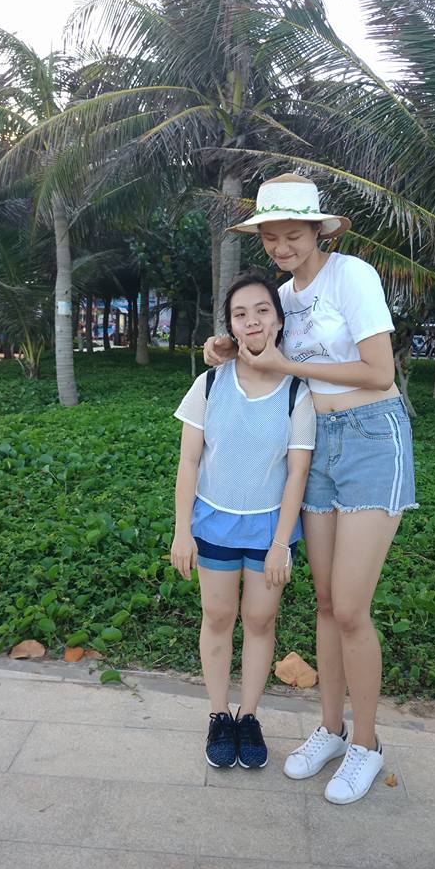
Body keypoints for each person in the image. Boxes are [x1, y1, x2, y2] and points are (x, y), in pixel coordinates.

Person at [204, 173, 417, 804]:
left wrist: (284, 363)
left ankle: (367, 745)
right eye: (270, 237)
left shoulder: (352, 276)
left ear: (318, 231)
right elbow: (260, 342)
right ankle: (330, 729)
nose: (281, 246)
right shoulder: (282, 296)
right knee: (324, 603)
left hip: (373, 437)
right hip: (317, 444)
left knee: (350, 608)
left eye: (293, 234)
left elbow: (379, 370)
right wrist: (226, 346)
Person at [171, 267, 316, 770]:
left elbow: (297, 473)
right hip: (213, 522)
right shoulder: (210, 383)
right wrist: (182, 531)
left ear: (278, 321)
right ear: (230, 326)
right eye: (240, 314)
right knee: (217, 617)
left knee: (259, 620)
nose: (251, 320)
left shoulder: (297, 392)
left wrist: (280, 544)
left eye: (261, 310)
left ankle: (249, 716)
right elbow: (189, 461)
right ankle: (218, 715)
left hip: (269, 529)